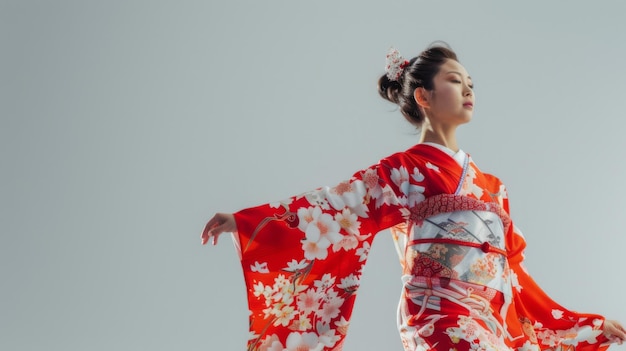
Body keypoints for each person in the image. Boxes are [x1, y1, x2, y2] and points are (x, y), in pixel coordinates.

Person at [202, 44, 626, 351]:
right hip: (438, 317)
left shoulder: (492, 187)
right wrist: (250, 221)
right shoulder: (406, 169)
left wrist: (585, 325)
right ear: (423, 96)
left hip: (490, 320)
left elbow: (514, 275)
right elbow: (342, 206)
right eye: (455, 81)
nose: (468, 89)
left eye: (471, 83)